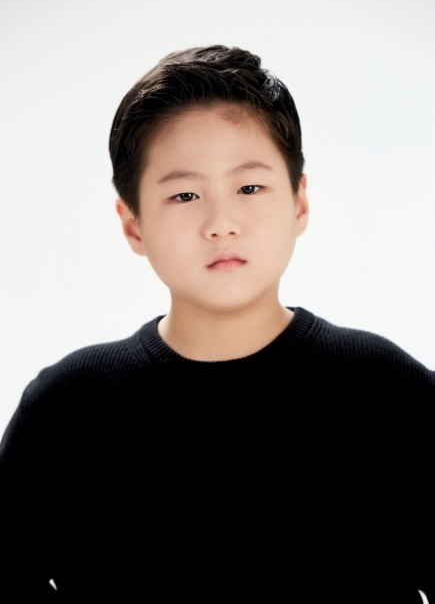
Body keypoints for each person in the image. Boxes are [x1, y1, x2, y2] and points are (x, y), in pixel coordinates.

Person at [0, 45, 433, 603]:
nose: (221, 222)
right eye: (184, 194)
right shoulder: (69, 410)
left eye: (249, 188)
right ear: (133, 224)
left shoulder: (388, 394)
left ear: (299, 202)